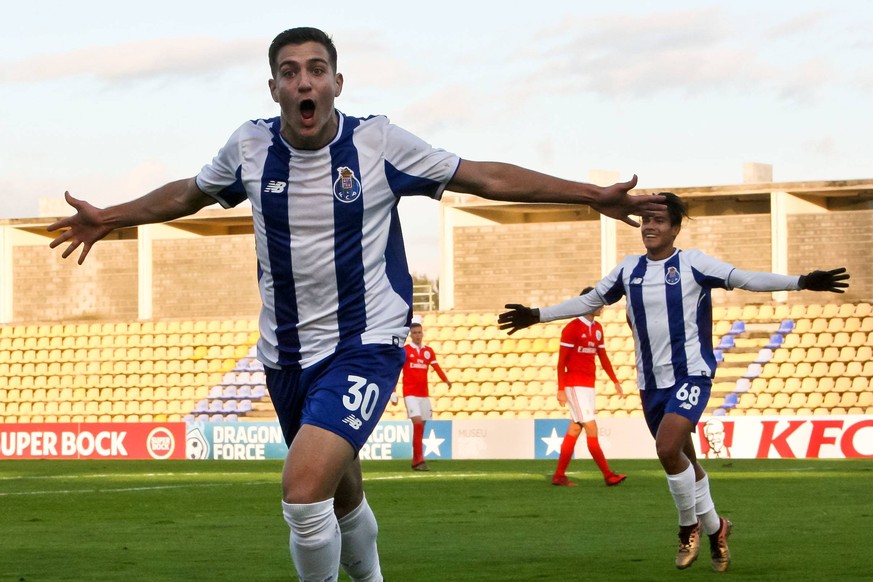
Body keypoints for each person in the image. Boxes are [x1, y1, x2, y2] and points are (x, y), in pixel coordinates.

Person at [47, 27, 666, 582]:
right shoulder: (249, 148)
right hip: (284, 357)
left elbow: (484, 177)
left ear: (337, 82)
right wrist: (112, 216)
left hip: (365, 344)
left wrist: (590, 195)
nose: (304, 81)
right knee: (340, 498)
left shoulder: (378, 143)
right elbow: (189, 192)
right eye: (290, 72)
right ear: (274, 89)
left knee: (301, 488)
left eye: (316, 69)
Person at [498, 192, 849, 573]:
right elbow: (591, 300)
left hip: (691, 373)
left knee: (667, 450)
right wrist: (537, 314)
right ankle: (718, 529)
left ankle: (688, 527)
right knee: (686, 461)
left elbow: (745, 278)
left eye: (660, 221)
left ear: (675, 228)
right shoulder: (628, 269)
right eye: (646, 220)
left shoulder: (693, 263)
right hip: (651, 382)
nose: (650, 226)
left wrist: (801, 281)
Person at [551, 287, 627, 487]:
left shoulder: (598, 329)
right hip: (575, 385)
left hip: (588, 386)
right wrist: (561, 389)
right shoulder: (572, 328)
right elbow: (562, 362)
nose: (602, 306)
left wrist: (615, 380)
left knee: (575, 429)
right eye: (599, 302)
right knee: (591, 427)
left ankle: (559, 475)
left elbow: (602, 356)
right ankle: (608, 475)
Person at [394, 321, 450, 471]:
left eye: (419, 332)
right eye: (415, 333)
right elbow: (396, 371)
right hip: (410, 393)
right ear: (411, 335)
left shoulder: (428, 351)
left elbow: (436, 367)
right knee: (417, 423)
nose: (417, 335)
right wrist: (393, 391)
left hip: (424, 395)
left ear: (422, 333)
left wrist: (446, 380)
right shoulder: (405, 351)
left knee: (421, 427)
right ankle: (419, 460)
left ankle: (416, 460)